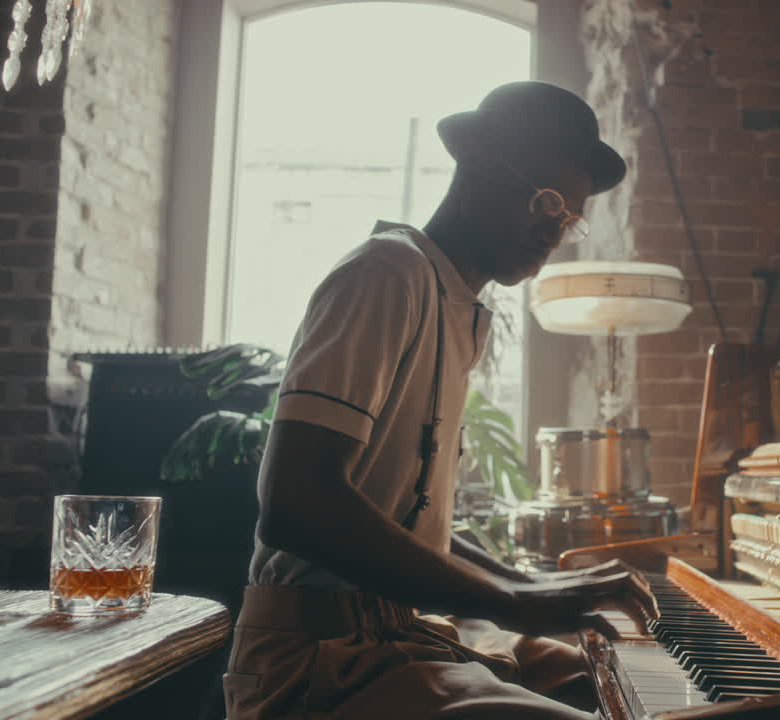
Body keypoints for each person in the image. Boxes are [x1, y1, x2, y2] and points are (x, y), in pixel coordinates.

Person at [223, 82, 657, 719]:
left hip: (404, 636)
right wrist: (513, 602)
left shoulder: (458, 306)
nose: (553, 230)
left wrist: (531, 584)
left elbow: (410, 530)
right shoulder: (386, 274)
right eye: (547, 200)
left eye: (569, 217)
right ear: (476, 158)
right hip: (322, 660)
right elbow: (293, 505)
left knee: (624, 686)